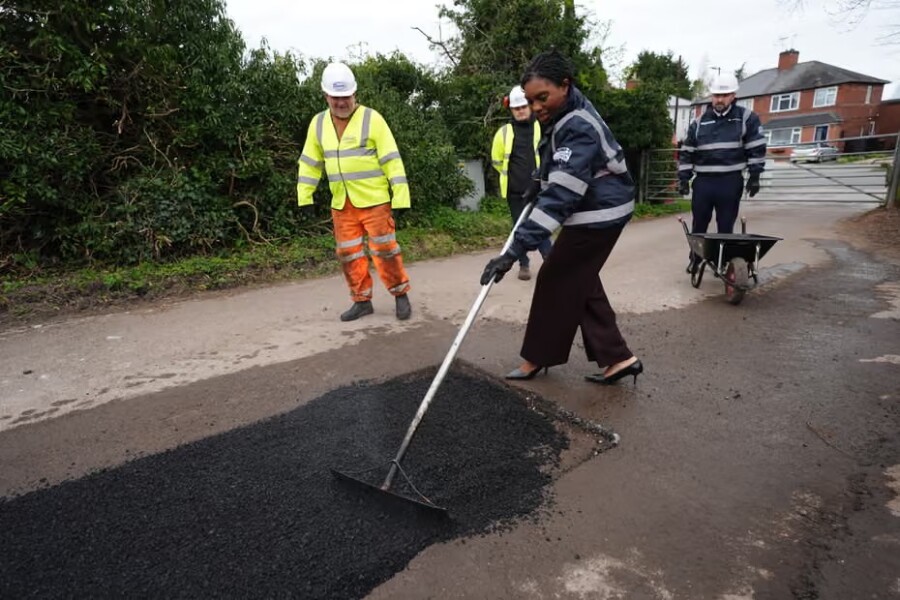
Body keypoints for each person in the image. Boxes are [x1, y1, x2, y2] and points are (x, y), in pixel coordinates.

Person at [480, 50, 642, 386]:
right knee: (578, 278)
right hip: (596, 204)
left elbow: (561, 197)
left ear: (564, 86)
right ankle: (618, 358)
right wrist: (538, 180)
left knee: (555, 278)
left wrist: (512, 253)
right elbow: (555, 157)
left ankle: (537, 358)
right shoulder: (562, 112)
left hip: (599, 213)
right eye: (530, 100)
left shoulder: (577, 124)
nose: (536, 107)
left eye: (542, 98)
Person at [297, 62, 412, 322]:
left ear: (355, 94)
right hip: (342, 204)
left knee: (385, 251)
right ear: (326, 96)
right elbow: (309, 163)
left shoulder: (373, 119)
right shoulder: (318, 124)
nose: (341, 102)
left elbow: (392, 159)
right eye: (336, 97)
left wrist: (401, 196)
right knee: (349, 255)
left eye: (346, 96)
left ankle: (400, 295)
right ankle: (361, 301)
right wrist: (305, 197)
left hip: (375, 201)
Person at [678, 73, 767, 272]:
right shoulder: (700, 122)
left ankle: (723, 261)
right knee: (699, 224)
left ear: (733, 95)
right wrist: (683, 179)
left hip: (729, 181)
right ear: (711, 96)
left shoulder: (746, 118)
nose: (719, 99)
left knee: (725, 225)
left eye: (724, 95)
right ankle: (696, 259)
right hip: (704, 182)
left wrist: (755, 176)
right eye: (716, 95)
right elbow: (688, 152)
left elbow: (756, 147)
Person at [491, 85, 551, 280]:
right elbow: (496, 160)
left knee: (540, 226)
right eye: (517, 108)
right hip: (515, 191)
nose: (521, 110)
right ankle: (523, 264)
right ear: (511, 110)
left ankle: (551, 263)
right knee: (519, 228)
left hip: (540, 188)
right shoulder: (504, 133)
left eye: (524, 106)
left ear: (530, 106)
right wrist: (510, 176)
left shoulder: (540, 126)